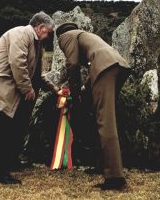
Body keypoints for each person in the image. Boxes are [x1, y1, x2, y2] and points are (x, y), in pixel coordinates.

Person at [0, 12, 59, 184]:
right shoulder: (20, 34)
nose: (50, 36)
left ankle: (11, 163)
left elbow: (36, 75)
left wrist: (55, 89)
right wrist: (28, 89)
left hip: (5, 92)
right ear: (41, 27)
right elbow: (17, 63)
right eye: (49, 32)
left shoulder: (36, 44)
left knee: (13, 130)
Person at [55, 22, 131, 190]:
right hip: (117, 65)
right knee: (100, 115)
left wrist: (74, 94)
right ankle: (101, 164)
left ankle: (115, 177)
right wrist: (85, 93)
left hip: (105, 68)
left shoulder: (65, 37)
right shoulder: (84, 35)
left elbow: (72, 64)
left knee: (105, 120)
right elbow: (94, 61)